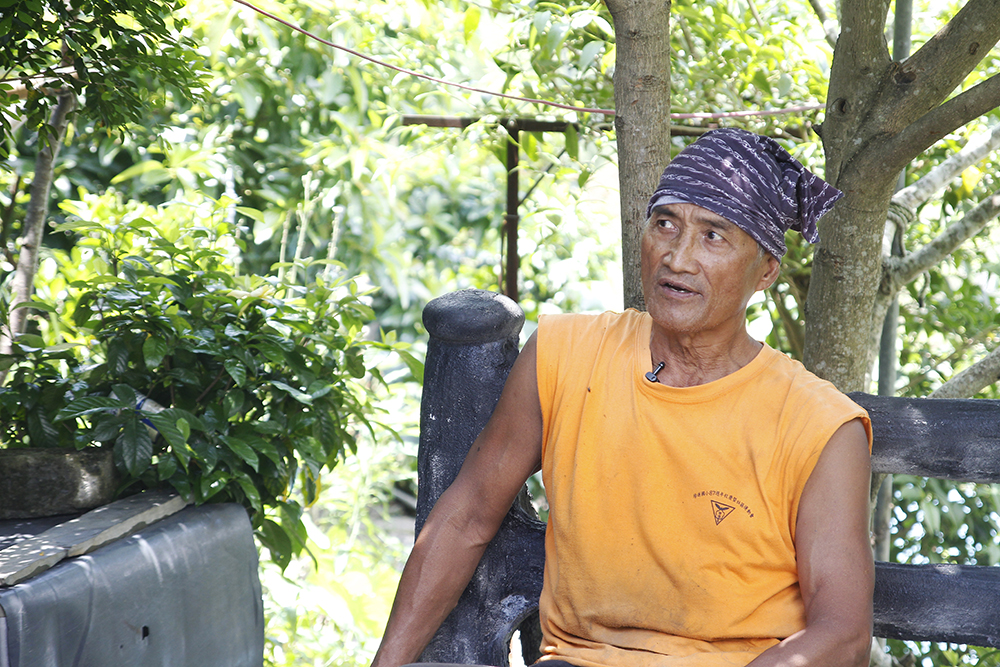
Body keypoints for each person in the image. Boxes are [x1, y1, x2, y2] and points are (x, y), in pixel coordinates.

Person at [372, 128, 874, 667]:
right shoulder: (567, 355)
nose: (677, 258)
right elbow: (464, 519)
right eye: (665, 224)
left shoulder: (818, 425)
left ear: (766, 270)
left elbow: (842, 634)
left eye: (713, 236)